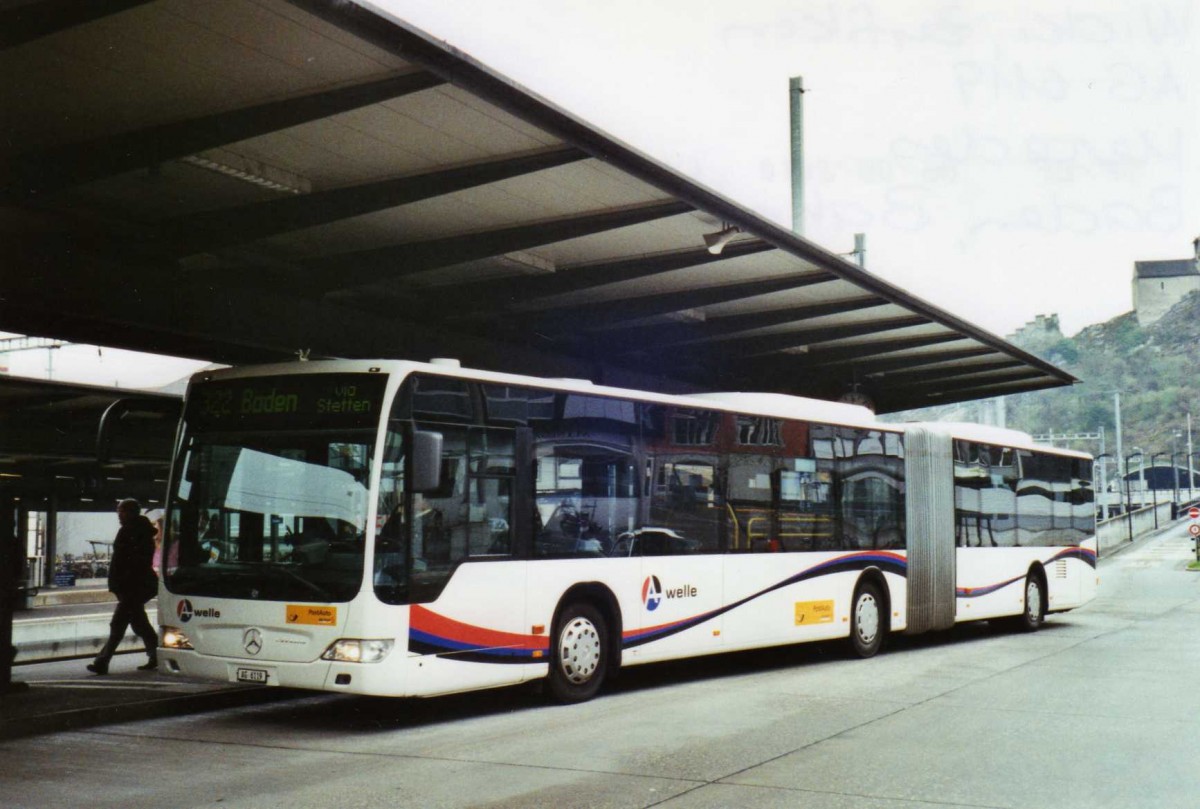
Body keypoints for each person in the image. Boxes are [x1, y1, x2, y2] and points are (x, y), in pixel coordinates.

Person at [87, 499, 159, 675]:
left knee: (118, 624)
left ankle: (102, 661)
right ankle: (156, 654)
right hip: (134, 585)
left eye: (122, 512)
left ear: (131, 512)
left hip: (132, 586)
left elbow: (127, 562)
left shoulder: (132, 531)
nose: (119, 515)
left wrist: (120, 584)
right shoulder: (139, 531)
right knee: (139, 623)